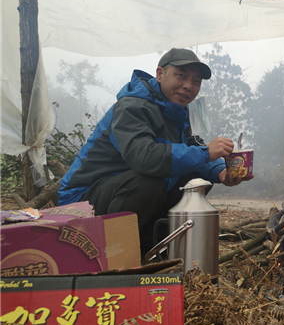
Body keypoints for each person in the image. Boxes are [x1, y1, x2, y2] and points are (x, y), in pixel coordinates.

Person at [58, 48, 253, 255]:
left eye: (196, 81)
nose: (189, 86)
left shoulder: (180, 112)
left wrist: (220, 171)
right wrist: (206, 153)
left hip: (121, 191)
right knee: (149, 180)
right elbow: (145, 158)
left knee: (196, 180)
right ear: (160, 74)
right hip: (82, 201)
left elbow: (193, 146)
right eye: (181, 75)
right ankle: (116, 255)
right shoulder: (132, 107)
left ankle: (151, 246)